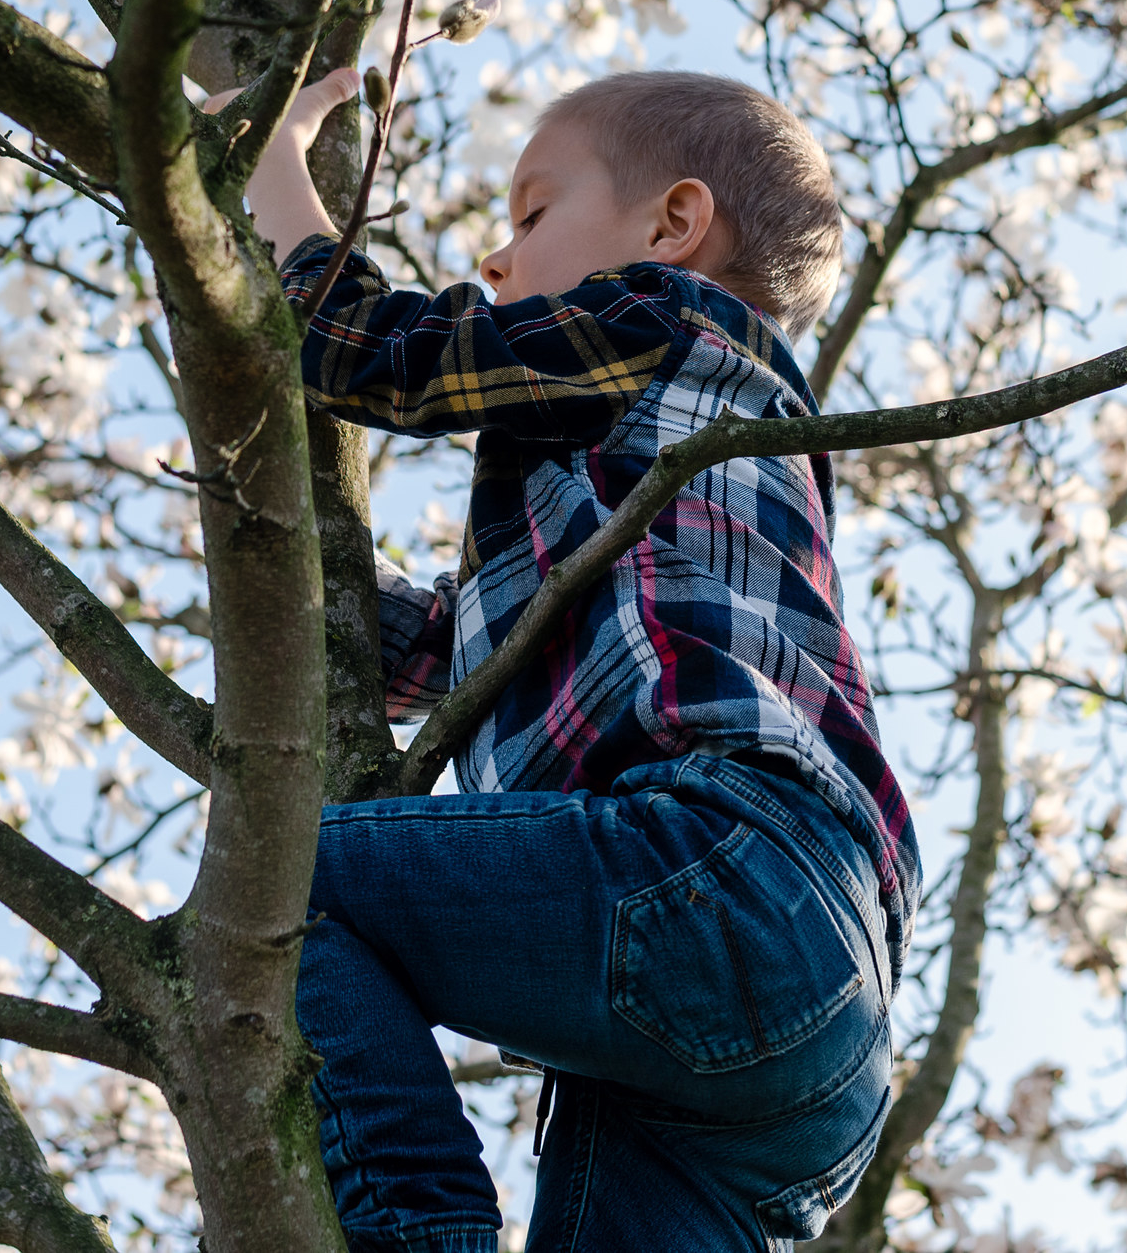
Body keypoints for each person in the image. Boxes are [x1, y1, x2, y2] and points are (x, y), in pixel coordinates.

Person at [239, 65, 921, 1252]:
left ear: (673, 223)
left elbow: (368, 348)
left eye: (531, 212)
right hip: (814, 1016)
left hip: (717, 866)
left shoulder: (661, 319)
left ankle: (410, 1234)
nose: (497, 259)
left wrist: (277, 173)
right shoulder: (672, 445)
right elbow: (456, 645)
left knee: (274, 888)